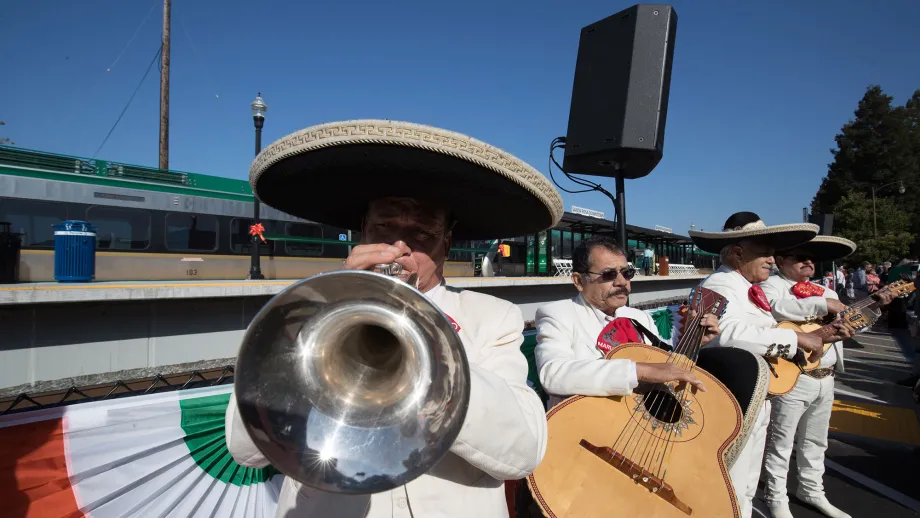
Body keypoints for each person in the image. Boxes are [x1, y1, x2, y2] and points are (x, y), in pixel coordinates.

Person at [224, 120, 565, 518]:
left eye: (423, 232)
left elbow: (524, 451)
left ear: (446, 243)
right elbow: (245, 447)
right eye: (384, 227)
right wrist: (335, 298)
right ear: (363, 231)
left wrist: (430, 358)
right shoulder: (308, 308)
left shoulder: (492, 316)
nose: (400, 246)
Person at [688, 212, 826, 518]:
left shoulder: (743, 287)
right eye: (765, 251)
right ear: (738, 252)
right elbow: (722, 336)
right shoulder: (720, 285)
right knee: (731, 483)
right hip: (732, 399)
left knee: (747, 484)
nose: (773, 260)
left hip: (753, 398)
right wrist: (796, 340)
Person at [758, 236, 896, 518]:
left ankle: (811, 490)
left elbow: (855, 324)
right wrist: (825, 305)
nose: (809, 262)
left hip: (826, 377)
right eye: (801, 257)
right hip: (794, 377)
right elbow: (777, 309)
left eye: (811, 258)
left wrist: (875, 307)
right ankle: (776, 497)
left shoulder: (822, 289)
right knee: (781, 442)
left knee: (817, 441)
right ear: (781, 261)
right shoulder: (770, 285)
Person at [534, 235, 720, 410]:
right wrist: (638, 371)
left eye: (627, 272)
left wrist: (694, 341)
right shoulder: (558, 314)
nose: (622, 282)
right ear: (579, 281)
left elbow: (664, 368)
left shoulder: (640, 317)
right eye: (609, 275)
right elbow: (552, 374)